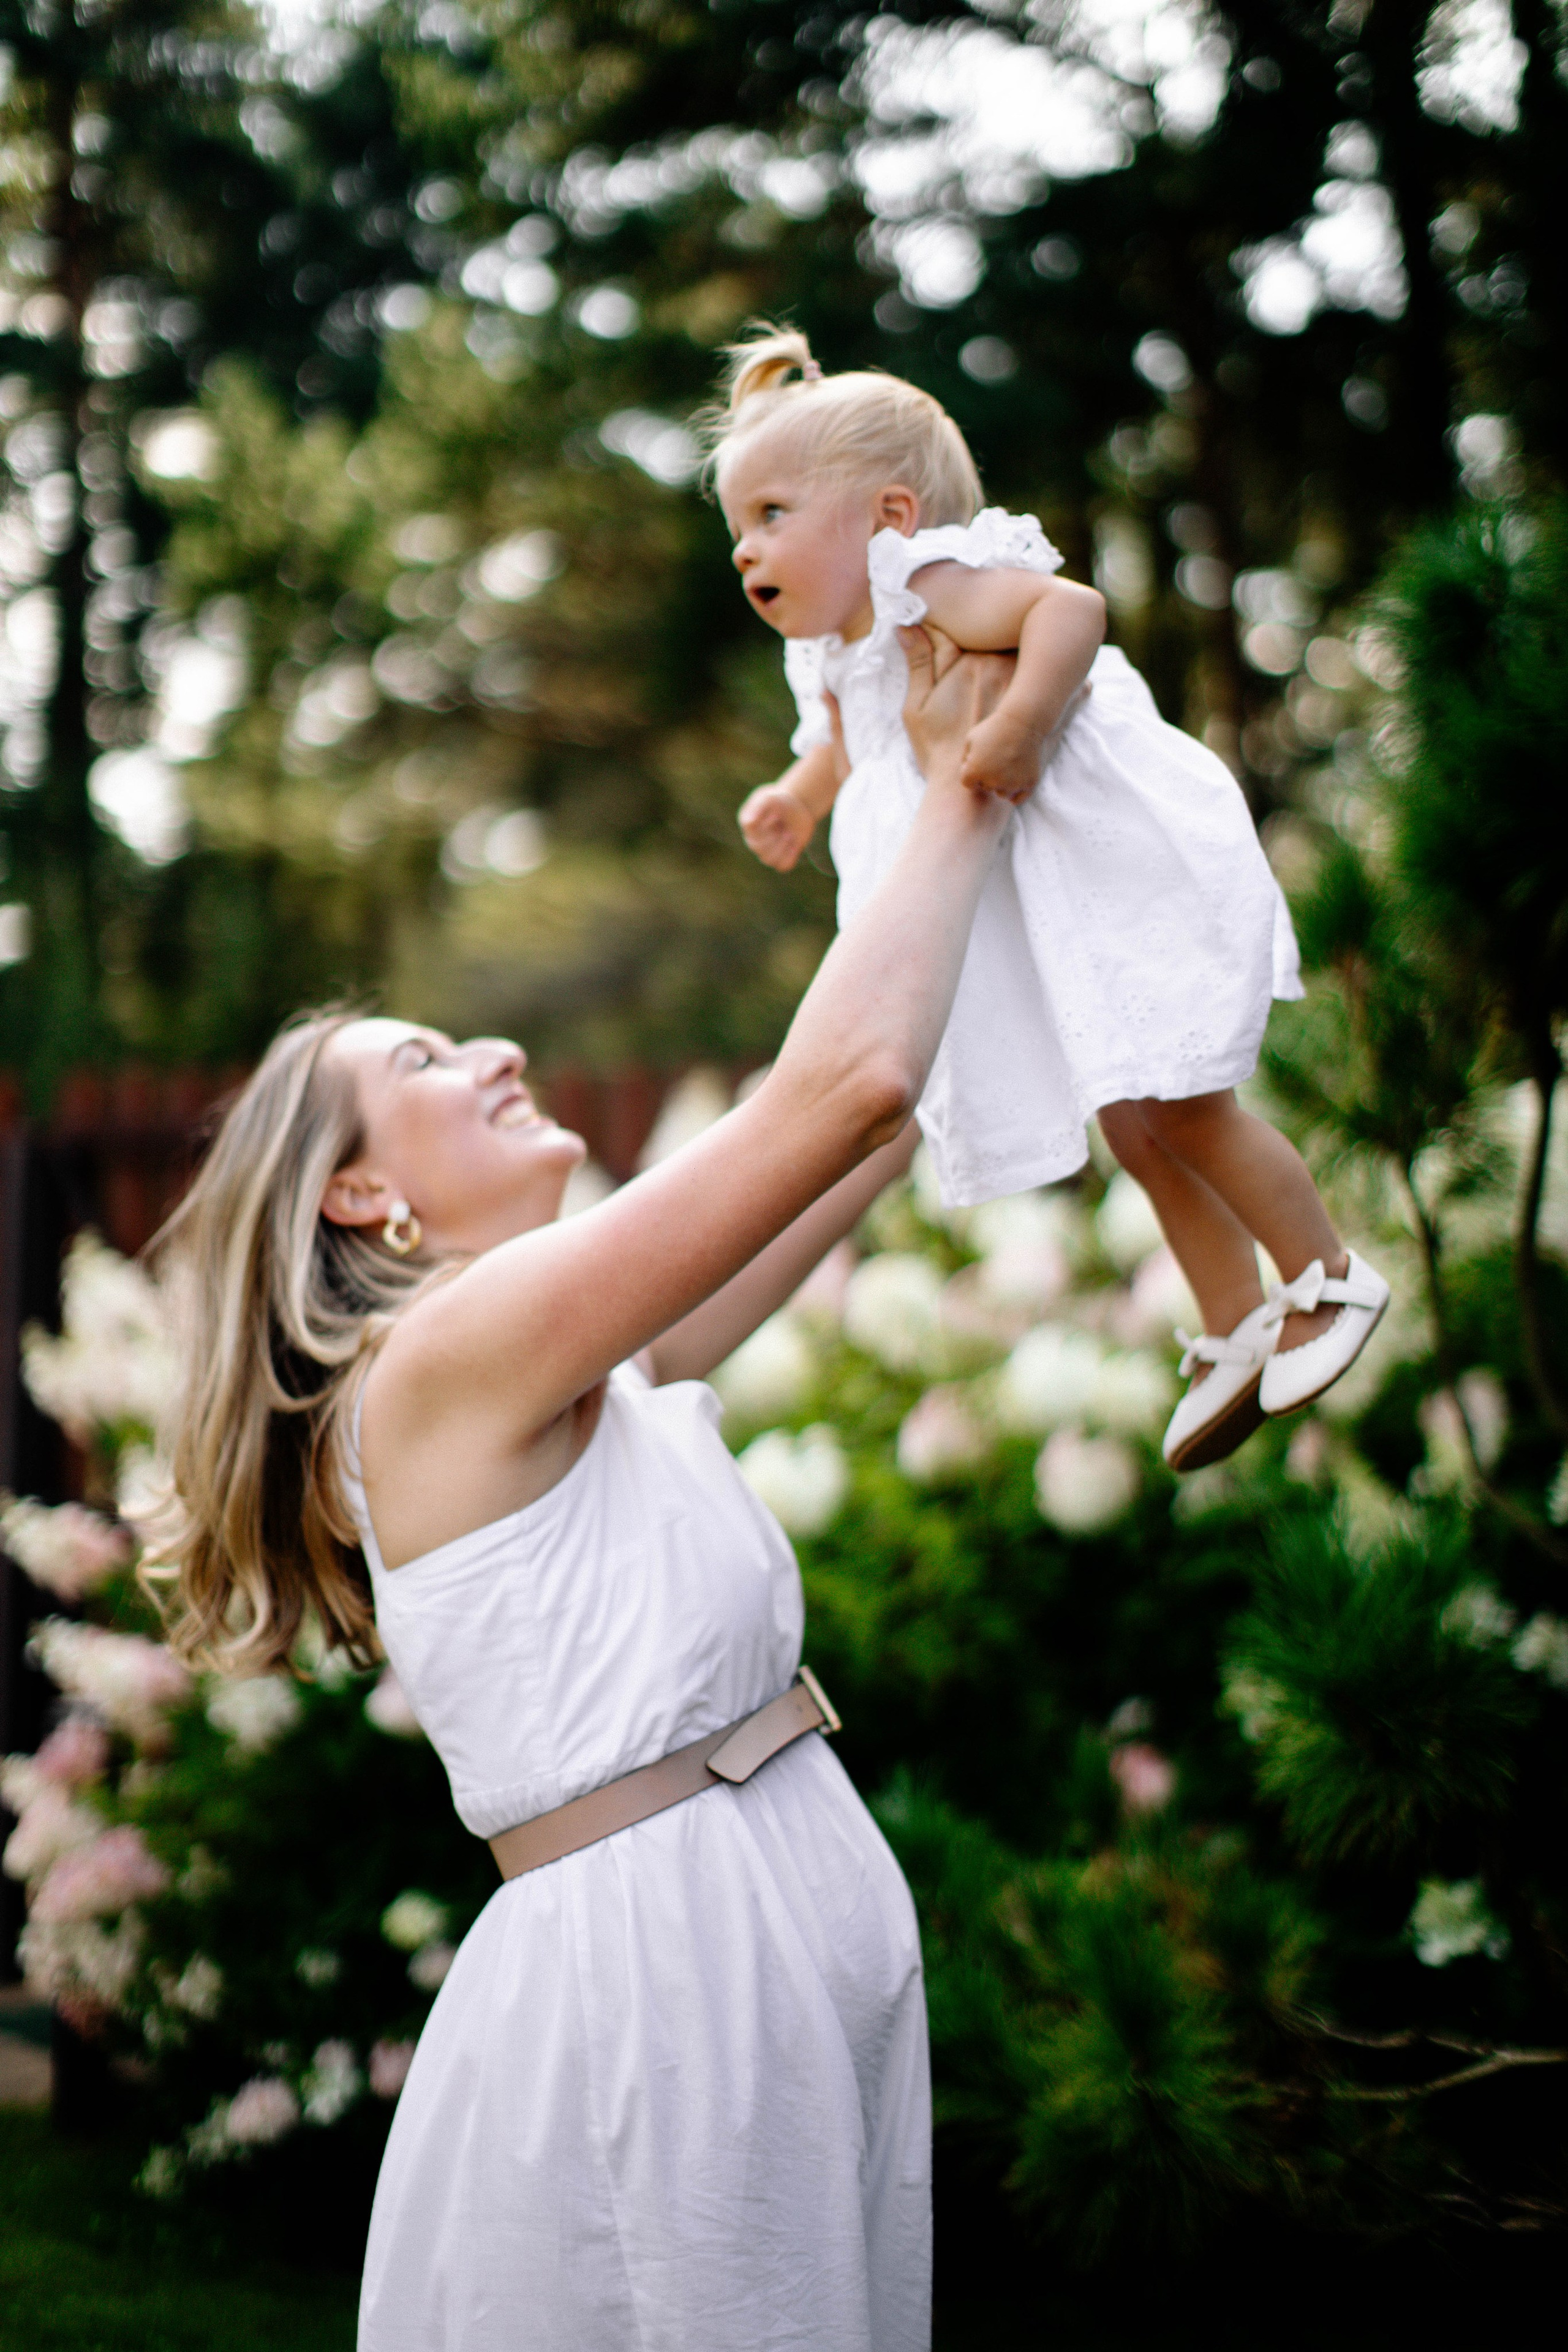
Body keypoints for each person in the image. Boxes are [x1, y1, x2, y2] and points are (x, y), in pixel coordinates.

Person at [146, 631, 1026, 2352]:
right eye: (417, 1067)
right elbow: (839, 1090)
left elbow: (874, 1127)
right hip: (670, 1978)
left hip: (763, 1912)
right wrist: (969, 788)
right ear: (359, 1204)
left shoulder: (573, 1365)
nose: (483, 1049)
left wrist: (937, 794)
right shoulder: (444, 1371)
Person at [712, 325, 1389, 1471]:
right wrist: (797, 795)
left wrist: (1019, 723)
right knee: (1130, 1116)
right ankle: (1236, 1323)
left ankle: (1330, 1277)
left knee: (1180, 1104)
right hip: (1037, 900)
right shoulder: (835, 647)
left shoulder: (922, 577)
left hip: (1099, 863)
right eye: (736, 529)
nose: (745, 550)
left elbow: (1068, 612)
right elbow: (841, 738)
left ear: (884, 517)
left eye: (772, 515)